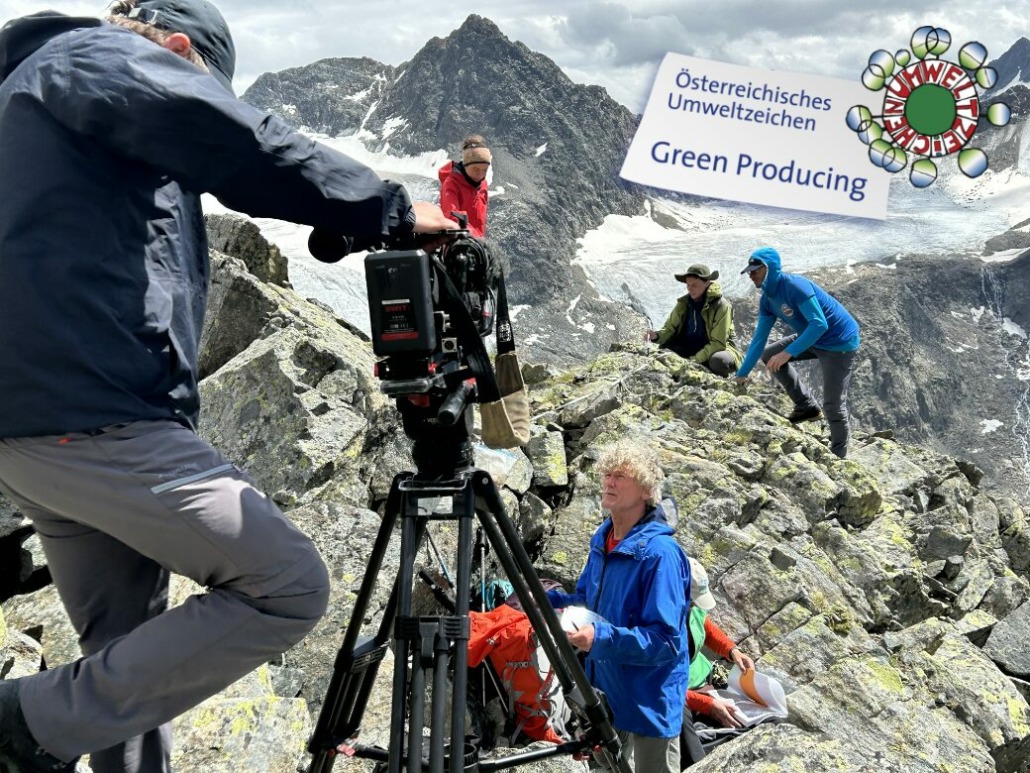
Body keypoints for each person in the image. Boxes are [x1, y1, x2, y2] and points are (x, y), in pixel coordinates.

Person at [0, 2, 456, 772]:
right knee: (287, 585)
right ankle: (20, 722)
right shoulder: (101, 61)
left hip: (48, 427)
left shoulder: (45, 93)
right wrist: (386, 209)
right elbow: (233, 138)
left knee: (128, 660)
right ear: (178, 49)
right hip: (93, 416)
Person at [546, 441, 690, 773]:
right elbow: (586, 601)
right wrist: (544, 602)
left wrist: (600, 639)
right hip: (604, 698)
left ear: (646, 490)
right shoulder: (603, 538)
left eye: (621, 476)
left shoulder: (661, 554)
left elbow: (666, 642)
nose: (609, 482)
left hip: (646, 706)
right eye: (607, 474)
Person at [733, 247, 861, 458]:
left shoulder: (794, 286)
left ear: (770, 269)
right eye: (749, 271)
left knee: (833, 404)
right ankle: (806, 406)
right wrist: (742, 374)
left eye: (756, 270)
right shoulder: (767, 299)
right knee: (768, 354)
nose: (751, 275)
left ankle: (839, 456)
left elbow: (819, 324)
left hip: (839, 342)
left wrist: (788, 353)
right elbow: (758, 340)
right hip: (812, 337)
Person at [680, 558, 755, 766]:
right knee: (736, 720)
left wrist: (733, 651)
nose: (695, 605)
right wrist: (709, 704)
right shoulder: (657, 629)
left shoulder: (691, 608)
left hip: (707, 671)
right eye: (692, 600)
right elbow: (664, 690)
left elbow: (707, 628)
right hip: (688, 692)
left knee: (750, 692)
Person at [645, 263, 743, 377]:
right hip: (692, 348)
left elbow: (718, 343)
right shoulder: (684, 303)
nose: (690, 289)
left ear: (707, 282)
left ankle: (721, 380)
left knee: (718, 361)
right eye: (688, 285)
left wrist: (693, 361)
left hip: (717, 351)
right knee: (664, 350)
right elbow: (670, 328)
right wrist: (656, 336)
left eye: (694, 285)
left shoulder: (722, 306)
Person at [438, 134, 491, 237]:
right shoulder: (451, 183)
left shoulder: (483, 185)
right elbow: (452, 217)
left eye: (484, 170)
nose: (480, 174)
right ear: (466, 164)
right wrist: (475, 238)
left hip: (475, 244)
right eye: (475, 169)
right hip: (458, 244)